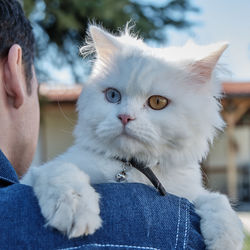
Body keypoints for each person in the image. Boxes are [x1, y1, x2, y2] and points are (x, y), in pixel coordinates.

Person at [0, 0, 205, 249]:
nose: (126, 115)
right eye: (113, 96)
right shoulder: (178, 229)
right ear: (13, 72)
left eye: (157, 102)